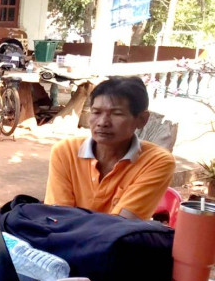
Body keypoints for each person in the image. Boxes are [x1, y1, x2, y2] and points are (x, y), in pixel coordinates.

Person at [44, 76, 175, 221]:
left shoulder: (156, 161)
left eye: (116, 114)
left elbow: (121, 225)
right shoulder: (66, 151)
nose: (102, 122)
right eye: (96, 112)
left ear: (141, 119)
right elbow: (57, 217)